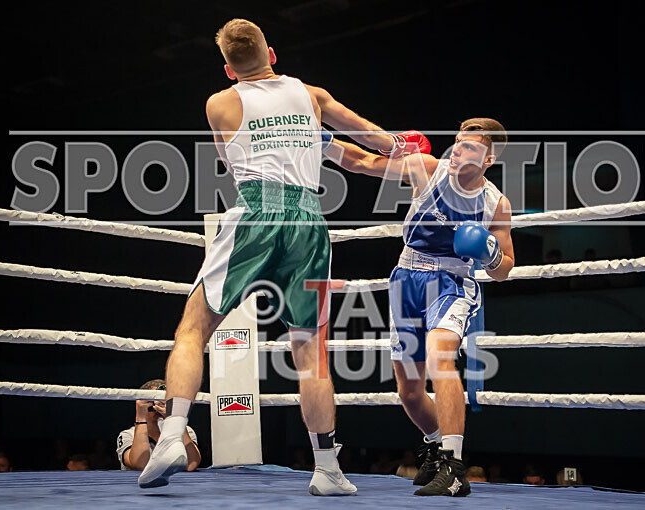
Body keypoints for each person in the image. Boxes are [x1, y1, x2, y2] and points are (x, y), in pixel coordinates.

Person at [138, 18, 428, 496]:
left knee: (193, 329)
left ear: (229, 69)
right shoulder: (312, 96)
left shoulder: (219, 103)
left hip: (257, 210)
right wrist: (406, 145)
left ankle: (171, 436)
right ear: (271, 54)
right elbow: (378, 143)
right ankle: (327, 469)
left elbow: (231, 164)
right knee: (311, 352)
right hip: (308, 220)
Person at [325, 118, 513, 496]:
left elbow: (505, 268)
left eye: (470, 146)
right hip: (406, 279)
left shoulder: (496, 203)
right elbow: (363, 162)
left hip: (452, 282)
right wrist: (322, 141)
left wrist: (489, 253)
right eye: (457, 142)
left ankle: (454, 467)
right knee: (410, 392)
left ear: (488, 159)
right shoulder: (428, 169)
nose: (457, 150)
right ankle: (437, 445)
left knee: (440, 356)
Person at [119, 379, 201, 472]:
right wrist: (140, 417)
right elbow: (140, 465)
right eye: (153, 399)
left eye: (164, 400)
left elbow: (191, 463)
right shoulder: (128, 435)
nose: (159, 404)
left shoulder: (185, 430)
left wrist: (175, 417)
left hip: (176, 481)